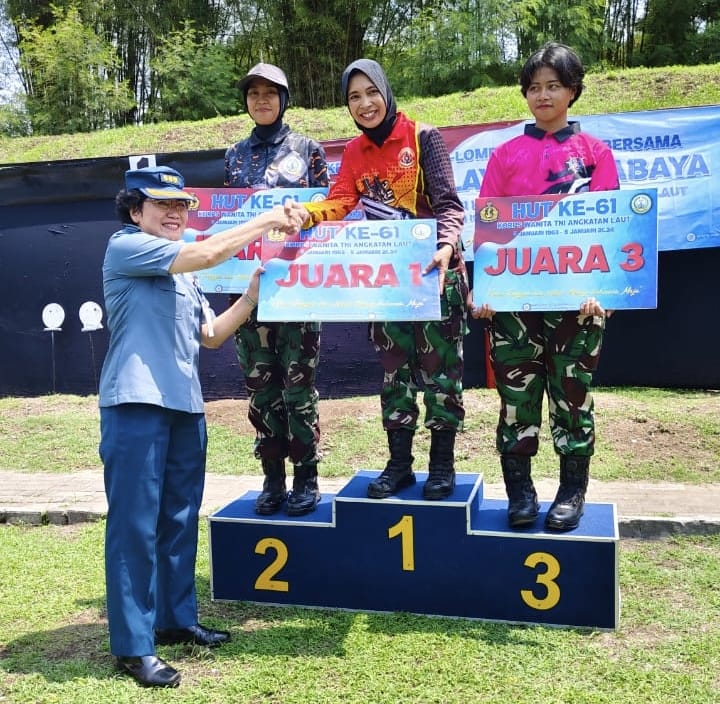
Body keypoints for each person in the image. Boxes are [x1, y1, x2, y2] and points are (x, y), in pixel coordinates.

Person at [99, 164, 304, 688]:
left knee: (179, 518)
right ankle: (133, 646)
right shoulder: (127, 247)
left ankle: (175, 619)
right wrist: (269, 220)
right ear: (135, 211)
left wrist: (252, 296)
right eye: (161, 204)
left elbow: (210, 336)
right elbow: (211, 253)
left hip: (185, 407)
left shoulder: (183, 270)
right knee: (134, 525)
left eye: (181, 205)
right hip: (135, 403)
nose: (174, 213)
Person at [296, 59, 468, 501]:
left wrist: (446, 245)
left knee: (441, 375)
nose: (365, 103)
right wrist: (306, 214)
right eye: (354, 97)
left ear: (386, 92)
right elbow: (339, 202)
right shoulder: (354, 151)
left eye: (371, 92)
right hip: (387, 281)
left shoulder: (422, 136)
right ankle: (399, 465)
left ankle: (442, 466)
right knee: (395, 376)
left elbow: (449, 205)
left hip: (434, 276)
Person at [469, 42, 620, 531]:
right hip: (514, 305)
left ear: (573, 91)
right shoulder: (505, 155)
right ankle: (520, 492)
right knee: (517, 400)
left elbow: (612, 230)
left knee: (572, 399)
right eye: (534, 87)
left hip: (577, 303)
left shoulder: (596, 154)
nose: (543, 95)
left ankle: (572, 493)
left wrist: (605, 291)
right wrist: (483, 290)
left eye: (554, 85)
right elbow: (489, 232)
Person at [224, 63, 329, 517]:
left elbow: (327, 214)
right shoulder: (233, 155)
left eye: (270, 92)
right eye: (254, 93)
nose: (261, 100)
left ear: (284, 99)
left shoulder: (308, 150)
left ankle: (307, 477)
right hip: (249, 291)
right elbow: (227, 222)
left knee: (298, 389)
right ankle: (272, 478)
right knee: (260, 388)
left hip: (298, 289)